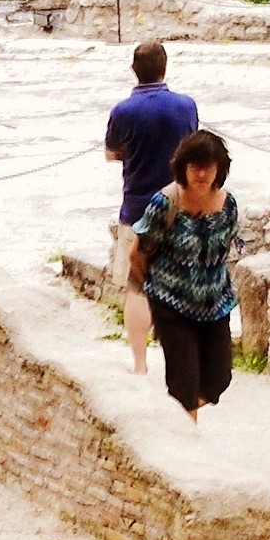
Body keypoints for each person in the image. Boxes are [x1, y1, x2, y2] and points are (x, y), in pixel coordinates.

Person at [128, 128, 242, 424]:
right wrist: (156, 290)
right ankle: (186, 449)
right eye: (194, 166)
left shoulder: (228, 205)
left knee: (219, 380)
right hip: (172, 305)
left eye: (208, 166)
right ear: (184, 167)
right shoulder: (165, 203)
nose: (201, 174)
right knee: (184, 383)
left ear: (219, 168)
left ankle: (173, 422)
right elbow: (137, 254)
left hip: (215, 304)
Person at [104, 36, 198, 380]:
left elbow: (111, 153)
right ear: (165, 68)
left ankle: (141, 365)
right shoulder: (186, 106)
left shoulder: (123, 111)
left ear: (134, 70)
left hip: (137, 210)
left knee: (137, 287)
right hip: (180, 207)